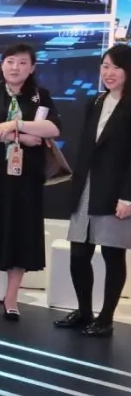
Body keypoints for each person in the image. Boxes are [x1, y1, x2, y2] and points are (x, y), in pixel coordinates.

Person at [0, 42, 61, 321]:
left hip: (26, 179)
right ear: (2, 64)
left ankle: (12, 296)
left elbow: (53, 128)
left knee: (21, 236)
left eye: (23, 63)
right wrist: (21, 137)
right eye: (10, 62)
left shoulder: (40, 96)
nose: (16, 67)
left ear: (32, 68)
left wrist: (15, 124)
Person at [55, 44, 131, 337]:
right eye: (105, 66)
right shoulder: (95, 101)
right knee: (78, 254)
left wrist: (127, 196)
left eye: (116, 67)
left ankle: (106, 318)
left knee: (112, 255)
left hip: (116, 192)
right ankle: (84, 311)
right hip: (86, 187)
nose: (109, 73)